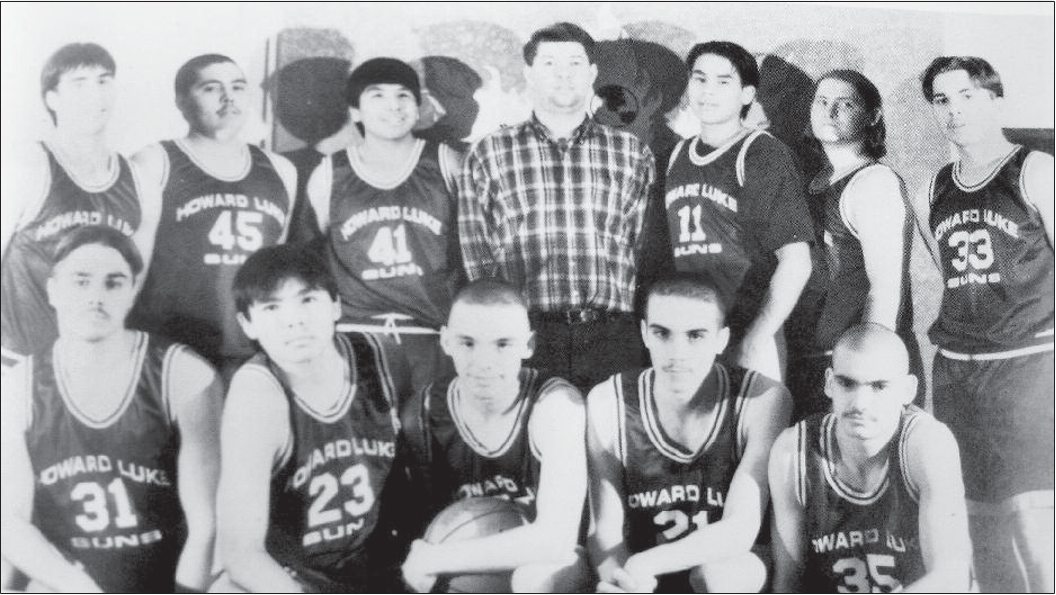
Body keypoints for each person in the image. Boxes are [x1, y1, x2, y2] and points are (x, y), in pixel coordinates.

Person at [0, 225, 221, 592]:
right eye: (81, 282)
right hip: (71, 579)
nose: (96, 297)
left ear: (133, 291)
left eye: (113, 283)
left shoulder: (183, 374)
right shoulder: (16, 387)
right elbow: (10, 522)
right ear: (53, 290)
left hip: (167, 575)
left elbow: (207, 526)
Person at [458, 22, 656, 395]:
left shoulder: (631, 153)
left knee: (611, 447)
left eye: (575, 63)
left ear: (592, 74)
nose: (563, 75)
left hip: (612, 337)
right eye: (549, 63)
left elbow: (641, 247)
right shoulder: (489, 153)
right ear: (529, 73)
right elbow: (478, 260)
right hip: (526, 338)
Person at [922, 56, 1054, 593]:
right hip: (957, 371)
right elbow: (950, 279)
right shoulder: (933, 186)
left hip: (1028, 364)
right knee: (979, 528)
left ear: (995, 99)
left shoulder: (1036, 169)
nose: (955, 110)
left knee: (1034, 522)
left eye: (967, 95)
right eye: (942, 100)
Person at [214, 244, 412, 592]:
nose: (294, 320)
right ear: (247, 324)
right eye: (272, 307)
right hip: (297, 578)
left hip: (383, 566)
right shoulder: (257, 396)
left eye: (308, 300)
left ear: (336, 304)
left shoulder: (382, 357)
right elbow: (240, 553)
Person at [587, 272, 791, 593]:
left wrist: (646, 563)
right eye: (662, 333)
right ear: (644, 334)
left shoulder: (762, 398)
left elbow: (741, 528)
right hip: (645, 575)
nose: (677, 353)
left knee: (716, 577)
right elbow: (605, 532)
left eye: (695, 335)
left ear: (722, 340)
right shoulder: (607, 400)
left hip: (730, 563)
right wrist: (624, 582)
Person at [400, 278, 591, 593]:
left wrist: (435, 558)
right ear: (445, 341)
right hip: (466, 567)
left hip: (553, 568)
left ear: (527, 345)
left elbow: (557, 540)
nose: (484, 362)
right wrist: (427, 564)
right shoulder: (421, 415)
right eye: (467, 343)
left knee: (533, 580)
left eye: (502, 344)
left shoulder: (554, 405)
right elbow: (420, 537)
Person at [300, 57, 463, 394]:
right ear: (355, 111)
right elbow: (308, 260)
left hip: (434, 336)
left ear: (418, 107)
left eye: (403, 95)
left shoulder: (446, 163)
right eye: (377, 96)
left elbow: (474, 251)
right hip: (356, 337)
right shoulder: (331, 173)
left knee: (429, 438)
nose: (393, 106)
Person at [128, 53, 297, 381]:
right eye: (211, 88)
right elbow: (130, 267)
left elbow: (274, 273)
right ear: (181, 101)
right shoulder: (155, 162)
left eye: (237, 87)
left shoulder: (280, 170)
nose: (228, 97)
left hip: (249, 352)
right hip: (169, 350)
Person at [769, 323, 972, 592]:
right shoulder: (793, 451)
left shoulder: (926, 443)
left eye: (879, 386)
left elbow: (950, 578)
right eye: (847, 383)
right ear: (829, 383)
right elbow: (789, 580)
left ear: (908, 390)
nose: (860, 403)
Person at [663, 40, 813, 381]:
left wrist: (757, 337)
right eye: (700, 79)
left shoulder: (761, 154)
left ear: (747, 94)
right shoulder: (677, 156)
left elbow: (797, 260)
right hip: (692, 332)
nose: (708, 91)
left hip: (748, 326)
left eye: (723, 81)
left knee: (751, 431)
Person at [1, 42, 156, 370]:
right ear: (52, 98)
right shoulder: (26, 165)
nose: (95, 94)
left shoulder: (139, 179)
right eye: (79, 83)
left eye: (103, 81)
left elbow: (133, 281)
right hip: (19, 364)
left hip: (94, 367)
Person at [786, 70, 922, 421]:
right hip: (816, 363)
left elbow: (885, 290)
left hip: (858, 370)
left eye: (844, 104)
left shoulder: (873, 182)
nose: (830, 112)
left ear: (872, 115)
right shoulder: (816, 182)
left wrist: (867, 376)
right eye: (822, 102)